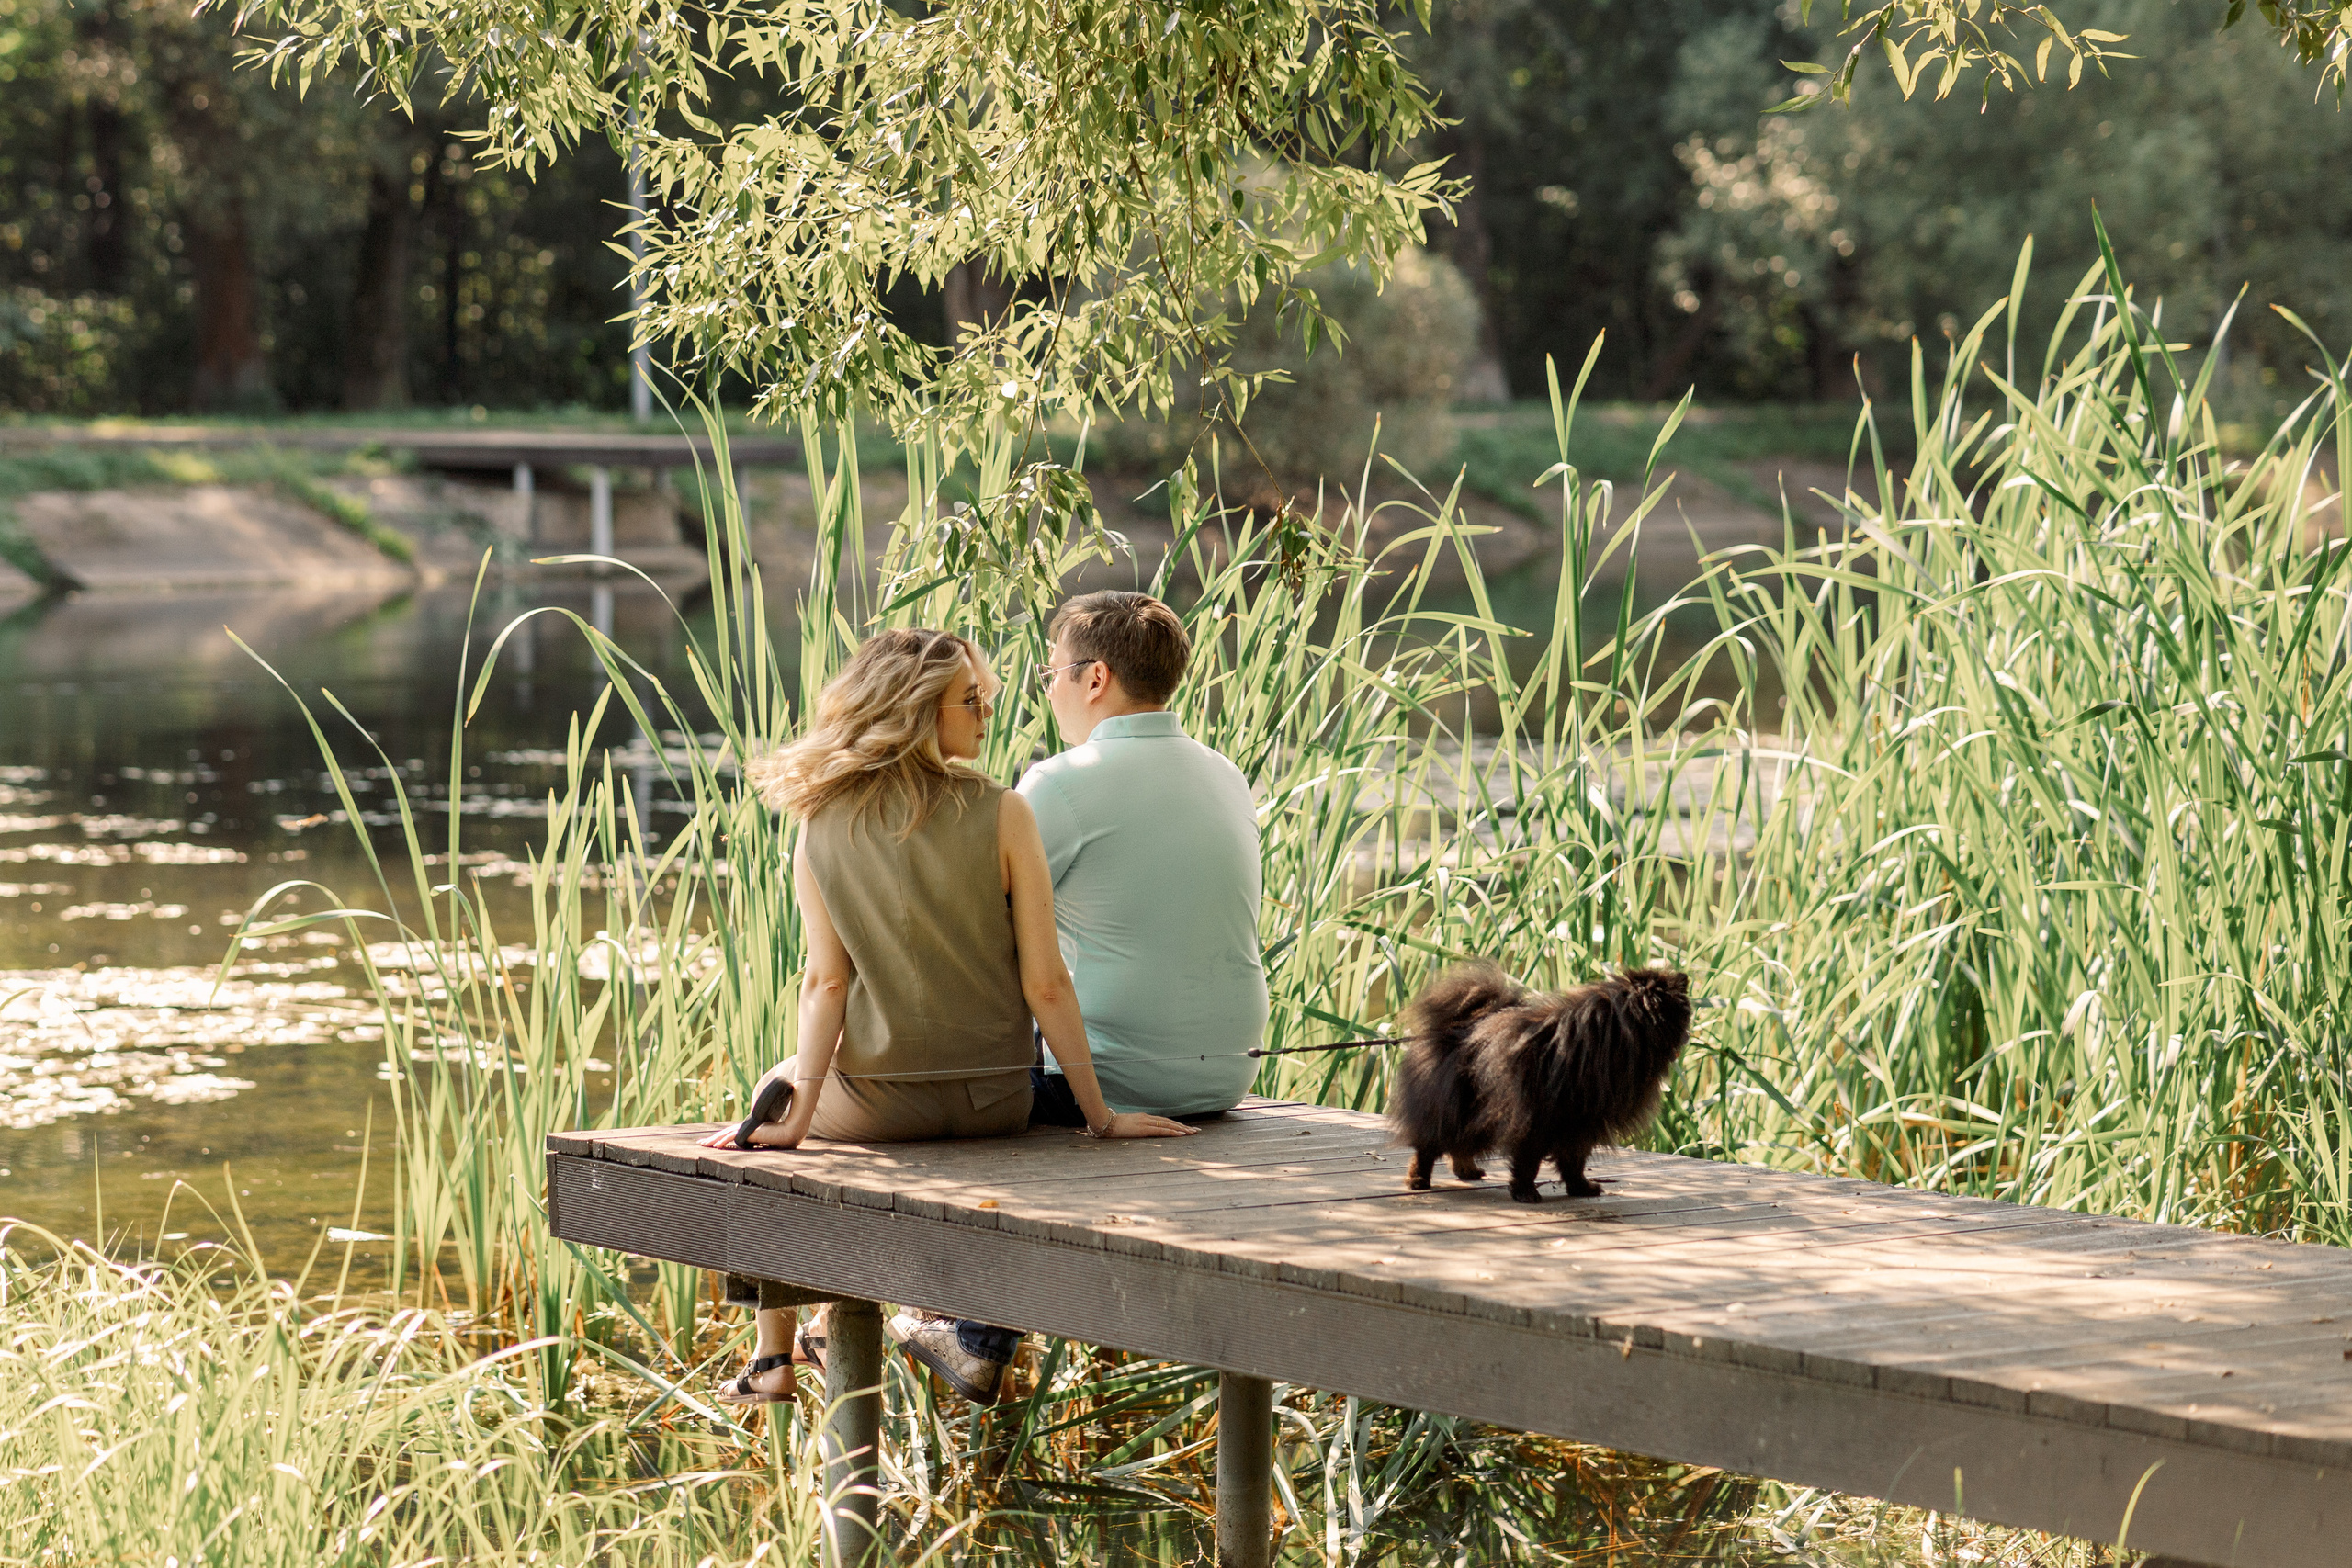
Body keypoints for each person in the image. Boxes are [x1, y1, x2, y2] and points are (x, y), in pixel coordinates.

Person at [700, 626, 1196, 1404]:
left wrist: (796, 1117)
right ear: (917, 710)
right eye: (971, 700)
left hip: (877, 1108)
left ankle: (772, 1356)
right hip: (995, 1099)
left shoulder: (821, 823)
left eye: (986, 698)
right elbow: (1048, 984)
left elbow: (825, 986)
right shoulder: (1004, 811)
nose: (987, 711)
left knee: (772, 1095)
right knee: (787, 1090)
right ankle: (800, 1346)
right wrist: (1098, 1114)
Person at [888, 590, 1270, 1403]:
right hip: (1222, 1076)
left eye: (1053, 672)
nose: (1047, 689)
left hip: (1117, 1084)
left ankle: (964, 1327)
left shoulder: (1060, 783)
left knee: (946, 1096)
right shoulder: (1225, 772)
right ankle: (926, 1318)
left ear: (1095, 678)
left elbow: (977, 934)